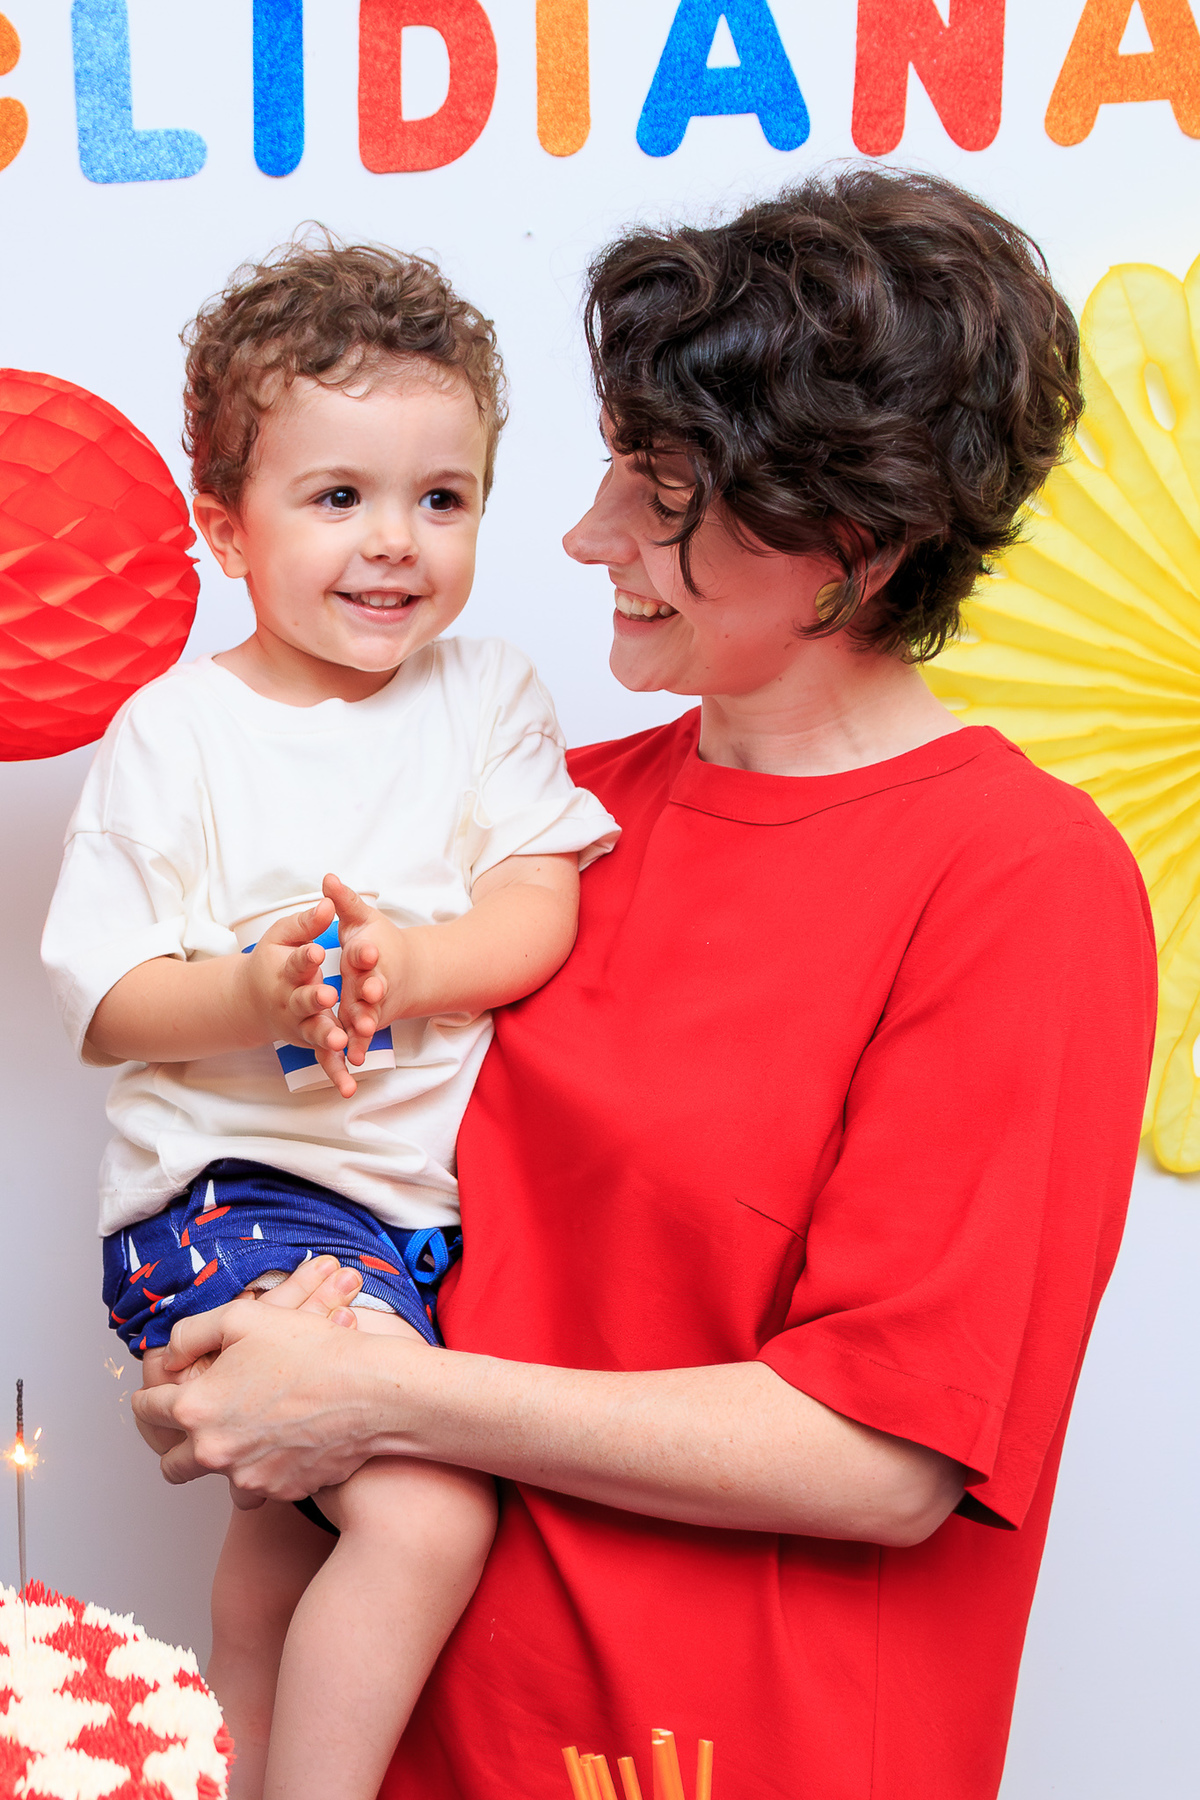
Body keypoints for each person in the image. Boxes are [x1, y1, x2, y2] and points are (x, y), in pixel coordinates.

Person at [134, 170, 1158, 1800]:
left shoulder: (1018, 880)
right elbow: (331, 1176)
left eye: (663, 491)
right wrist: (237, 1349)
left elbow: (889, 1455)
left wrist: (381, 1394)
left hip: (730, 1757)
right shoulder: (545, 822)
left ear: (856, 543)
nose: (586, 534)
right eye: (616, 462)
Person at [41, 236, 618, 1800]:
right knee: (429, 1512)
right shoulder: (179, 733)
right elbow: (108, 998)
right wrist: (256, 992)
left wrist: (410, 970)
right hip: (228, 1198)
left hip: (405, 1216)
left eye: (442, 498)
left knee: (290, 1528)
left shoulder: (487, 695)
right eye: (339, 496)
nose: (394, 545)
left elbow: (539, 900)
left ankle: (237, 1768)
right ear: (226, 527)